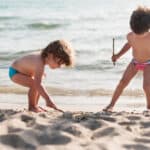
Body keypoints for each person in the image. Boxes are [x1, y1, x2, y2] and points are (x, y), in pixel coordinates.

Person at [104, 6, 150, 112]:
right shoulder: (130, 36)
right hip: (135, 62)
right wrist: (117, 56)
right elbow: (128, 46)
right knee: (122, 82)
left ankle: (149, 106)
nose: (137, 35)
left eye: (140, 34)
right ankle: (111, 105)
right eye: (134, 32)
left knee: (147, 86)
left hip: (149, 63)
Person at [9, 39, 74, 112]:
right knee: (36, 84)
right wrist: (48, 100)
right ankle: (32, 106)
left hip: (23, 72)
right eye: (59, 63)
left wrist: (39, 73)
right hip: (15, 72)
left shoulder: (42, 59)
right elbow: (37, 83)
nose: (59, 66)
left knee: (38, 84)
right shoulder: (39, 61)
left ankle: (35, 105)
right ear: (50, 55)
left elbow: (31, 65)